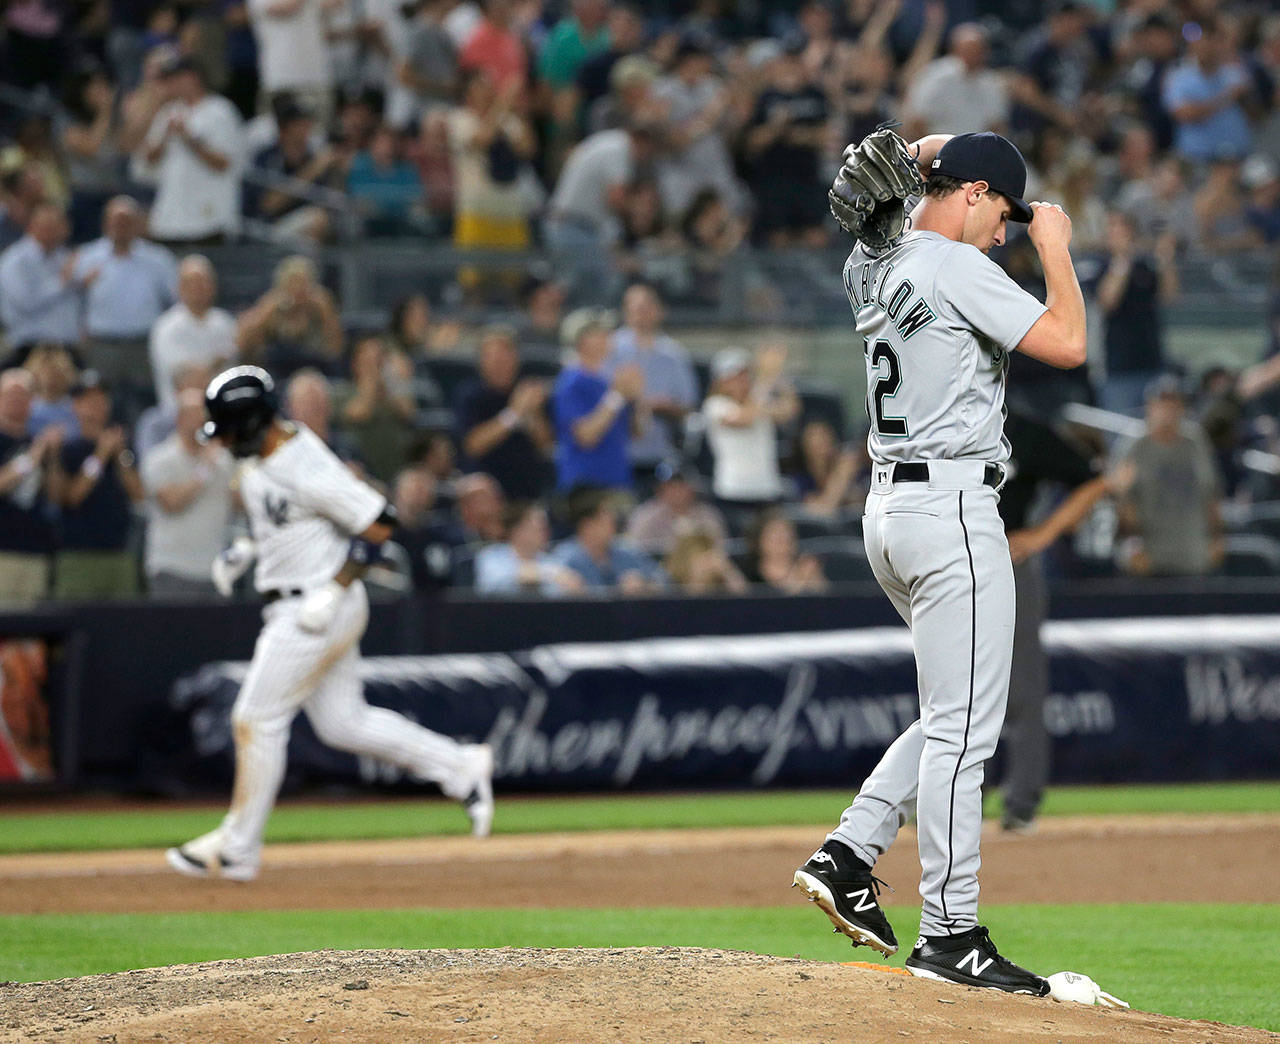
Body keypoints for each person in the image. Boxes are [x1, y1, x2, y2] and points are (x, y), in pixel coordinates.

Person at [793, 129, 1086, 994]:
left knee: (953, 711)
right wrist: (1056, 249)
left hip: (889, 512)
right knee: (967, 729)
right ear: (971, 193)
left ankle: (850, 847)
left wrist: (933, 151)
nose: (1006, 232)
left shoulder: (866, 265)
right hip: (953, 508)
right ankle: (951, 933)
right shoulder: (955, 265)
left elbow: (912, 182)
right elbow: (1069, 345)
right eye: (1003, 209)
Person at [166, 366, 494, 882]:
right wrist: (247, 550)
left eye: (229, 430)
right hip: (296, 598)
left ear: (252, 423)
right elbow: (282, 520)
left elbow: (381, 520)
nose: (224, 441)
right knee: (344, 724)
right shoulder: (259, 459)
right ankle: (460, 766)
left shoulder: (305, 462)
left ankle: (237, 847)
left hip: (317, 606)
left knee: (256, 718)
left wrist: (335, 587)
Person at [995, 410, 1132, 834]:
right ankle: (946, 799)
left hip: (1008, 560)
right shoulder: (940, 415)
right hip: (949, 564)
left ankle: (1021, 804)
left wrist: (1044, 533)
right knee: (952, 691)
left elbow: (1094, 479)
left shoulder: (1021, 429)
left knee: (1022, 689)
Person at [51, 372, 145, 599]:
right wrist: (101, 454)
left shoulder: (123, 447)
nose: (96, 405)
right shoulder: (67, 448)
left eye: (101, 398)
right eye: (87, 400)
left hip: (118, 551)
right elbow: (72, 496)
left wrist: (119, 454)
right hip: (78, 554)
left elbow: (138, 494)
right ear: (75, 406)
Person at [74, 196, 178, 396]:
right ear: (105, 223)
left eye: (127, 221)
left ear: (138, 223)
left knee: (145, 400)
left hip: (144, 344)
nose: (121, 226)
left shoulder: (159, 259)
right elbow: (74, 301)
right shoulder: (86, 257)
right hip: (101, 345)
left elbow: (175, 300)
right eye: (116, 221)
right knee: (101, 401)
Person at [1118, 377, 1223, 577]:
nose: (1167, 412)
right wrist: (1131, 543)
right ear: (1149, 407)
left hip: (1194, 554)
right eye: (1161, 405)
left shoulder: (1195, 441)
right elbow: (1123, 501)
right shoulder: (1134, 446)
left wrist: (1217, 538)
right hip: (1150, 558)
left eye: (1173, 405)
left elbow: (1212, 492)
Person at [140, 388, 235, 598]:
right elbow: (171, 503)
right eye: (196, 415)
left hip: (214, 568)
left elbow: (239, 504)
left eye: (206, 416)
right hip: (173, 568)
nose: (202, 422)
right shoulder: (159, 459)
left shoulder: (223, 459)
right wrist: (204, 471)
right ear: (180, 420)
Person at [142, 57, 245, 246]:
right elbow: (149, 159)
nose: (171, 84)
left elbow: (224, 163)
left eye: (175, 78)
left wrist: (188, 138)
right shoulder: (168, 112)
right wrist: (166, 135)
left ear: (193, 77)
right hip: (171, 219)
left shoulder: (220, 111)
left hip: (209, 219)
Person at [608, 283, 699, 481]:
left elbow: (688, 405)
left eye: (647, 305)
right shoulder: (609, 348)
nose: (641, 312)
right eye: (634, 306)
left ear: (660, 310)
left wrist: (665, 406)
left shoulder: (674, 354)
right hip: (615, 451)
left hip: (659, 452)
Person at [552, 308, 646, 493]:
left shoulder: (606, 381)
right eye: (599, 333)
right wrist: (617, 395)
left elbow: (637, 432)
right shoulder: (571, 382)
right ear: (582, 340)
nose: (607, 338)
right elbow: (585, 437)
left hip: (616, 480)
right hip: (585, 484)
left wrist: (636, 397)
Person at [1095, 212, 1178, 415]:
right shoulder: (1101, 265)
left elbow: (1169, 296)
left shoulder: (1146, 266)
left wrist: (1166, 260)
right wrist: (1122, 260)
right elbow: (1108, 301)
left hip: (1152, 362)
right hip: (1119, 367)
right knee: (1119, 432)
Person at [456, 325, 554, 499]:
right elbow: (472, 446)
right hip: (487, 492)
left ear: (516, 359)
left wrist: (534, 414)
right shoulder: (470, 395)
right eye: (493, 357)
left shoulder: (527, 391)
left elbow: (546, 447)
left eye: (505, 356)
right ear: (481, 362)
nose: (499, 363)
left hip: (528, 489)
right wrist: (514, 414)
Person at [702, 345, 799, 511]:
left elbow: (790, 410)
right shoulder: (715, 406)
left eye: (745, 376)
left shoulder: (758, 402)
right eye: (735, 378)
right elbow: (744, 419)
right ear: (720, 382)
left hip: (767, 490)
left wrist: (778, 376)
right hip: (733, 491)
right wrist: (767, 378)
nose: (742, 382)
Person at [0, 369, 63, 604]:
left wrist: (54, 457)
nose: (17, 401)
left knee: (33, 631)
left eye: (24, 395)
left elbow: (56, 496)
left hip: (36, 549)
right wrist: (33, 458)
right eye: (11, 394)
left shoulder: (38, 442)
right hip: (3, 552)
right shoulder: (35, 448)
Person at [149, 256, 238, 409]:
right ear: (179, 288)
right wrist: (218, 360)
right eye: (191, 283)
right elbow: (189, 378)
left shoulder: (225, 323)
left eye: (203, 282)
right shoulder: (165, 327)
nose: (198, 288)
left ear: (213, 286)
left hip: (222, 413)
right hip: (178, 414)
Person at [236, 255, 344, 377]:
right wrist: (264, 314)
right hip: (277, 372)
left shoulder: (319, 308)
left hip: (316, 371)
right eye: (293, 283)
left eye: (303, 283)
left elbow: (336, 351)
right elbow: (244, 349)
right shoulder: (271, 308)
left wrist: (327, 313)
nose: (298, 289)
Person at [550, 485, 665, 593]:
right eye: (606, 521)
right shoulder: (566, 556)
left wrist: (644, 584)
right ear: (587, 525)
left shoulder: (625, 552)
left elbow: (664, 581)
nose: (613, 526)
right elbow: (548, 582)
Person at [336, 335, 416, 483]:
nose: (376, 364)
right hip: (364, 473)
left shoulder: (391, 394)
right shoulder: (344, 392)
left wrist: (395, 380)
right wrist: (373, 376)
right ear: (355, 363)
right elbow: (360, 413)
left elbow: (409, 413)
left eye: (380, 359)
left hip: (396, 472)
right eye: (369, 359)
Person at [0, 204, 80, 352]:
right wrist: (61, 283)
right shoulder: (14, 260)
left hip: (66, 345)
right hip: (29, 346)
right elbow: (25, 302)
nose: (57, 231)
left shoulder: (64, 257)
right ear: (32, 227)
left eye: (60, 225)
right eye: (50, 226)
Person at [474, 501, 582, 596]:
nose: (547, 533)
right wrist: (545, 574)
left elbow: (562, 592)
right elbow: (490, 587)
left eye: (546, 528)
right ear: (517, 530)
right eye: (540, 528)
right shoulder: (491, 556)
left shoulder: (552, 561)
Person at [625, 459, 727, 557]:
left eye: (680, 486)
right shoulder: (645, 515)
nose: (675, 492)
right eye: (669, 487)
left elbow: (720, 550)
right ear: (659, 489)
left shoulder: (707, 515)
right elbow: (633, 551)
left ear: (691, 488)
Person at [742, 510, 826, 593]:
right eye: (774, 536)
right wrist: (798, 579)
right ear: (758, 541)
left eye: (787, 535)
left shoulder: (807, 569)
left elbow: (826, 600)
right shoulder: (747, 573)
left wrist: (813, 577)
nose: (782, 541)